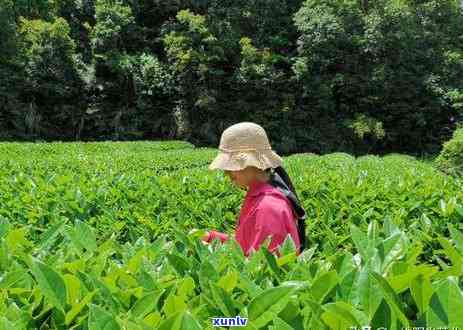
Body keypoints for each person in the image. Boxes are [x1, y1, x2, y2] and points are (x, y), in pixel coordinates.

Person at [201, 122, 307, 256]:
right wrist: (210, 237)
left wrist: (209, 253)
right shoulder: (258, 194)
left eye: (231, 166)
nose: (226, 173)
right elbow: (244, 244)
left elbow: (264, 269)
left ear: (253, 164)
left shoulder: (268, 207)